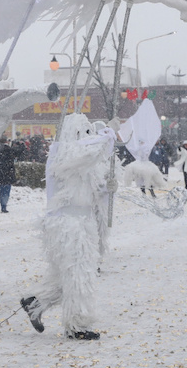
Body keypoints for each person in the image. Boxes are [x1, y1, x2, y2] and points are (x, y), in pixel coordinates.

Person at [21, 113, 117, 341]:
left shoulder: (87, 162)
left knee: (69, 275)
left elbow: (91, 191)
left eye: (87, 132)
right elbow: (85, 155)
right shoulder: (61, 154)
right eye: (79, 133)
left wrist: (107, 188)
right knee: (78, 275)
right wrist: (107, 137)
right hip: (66, 224)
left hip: (82, 222)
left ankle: (36, 302)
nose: (84, 137)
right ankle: (77, 325)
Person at [0, 137, 23, 213]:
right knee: (7, 188)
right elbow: (19, 152)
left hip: (0, 171)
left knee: (2, 188)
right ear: (6, 142)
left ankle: (2, 204)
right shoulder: (8, 149)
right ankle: (4, 205)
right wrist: (20, 145)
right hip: (8, 171)